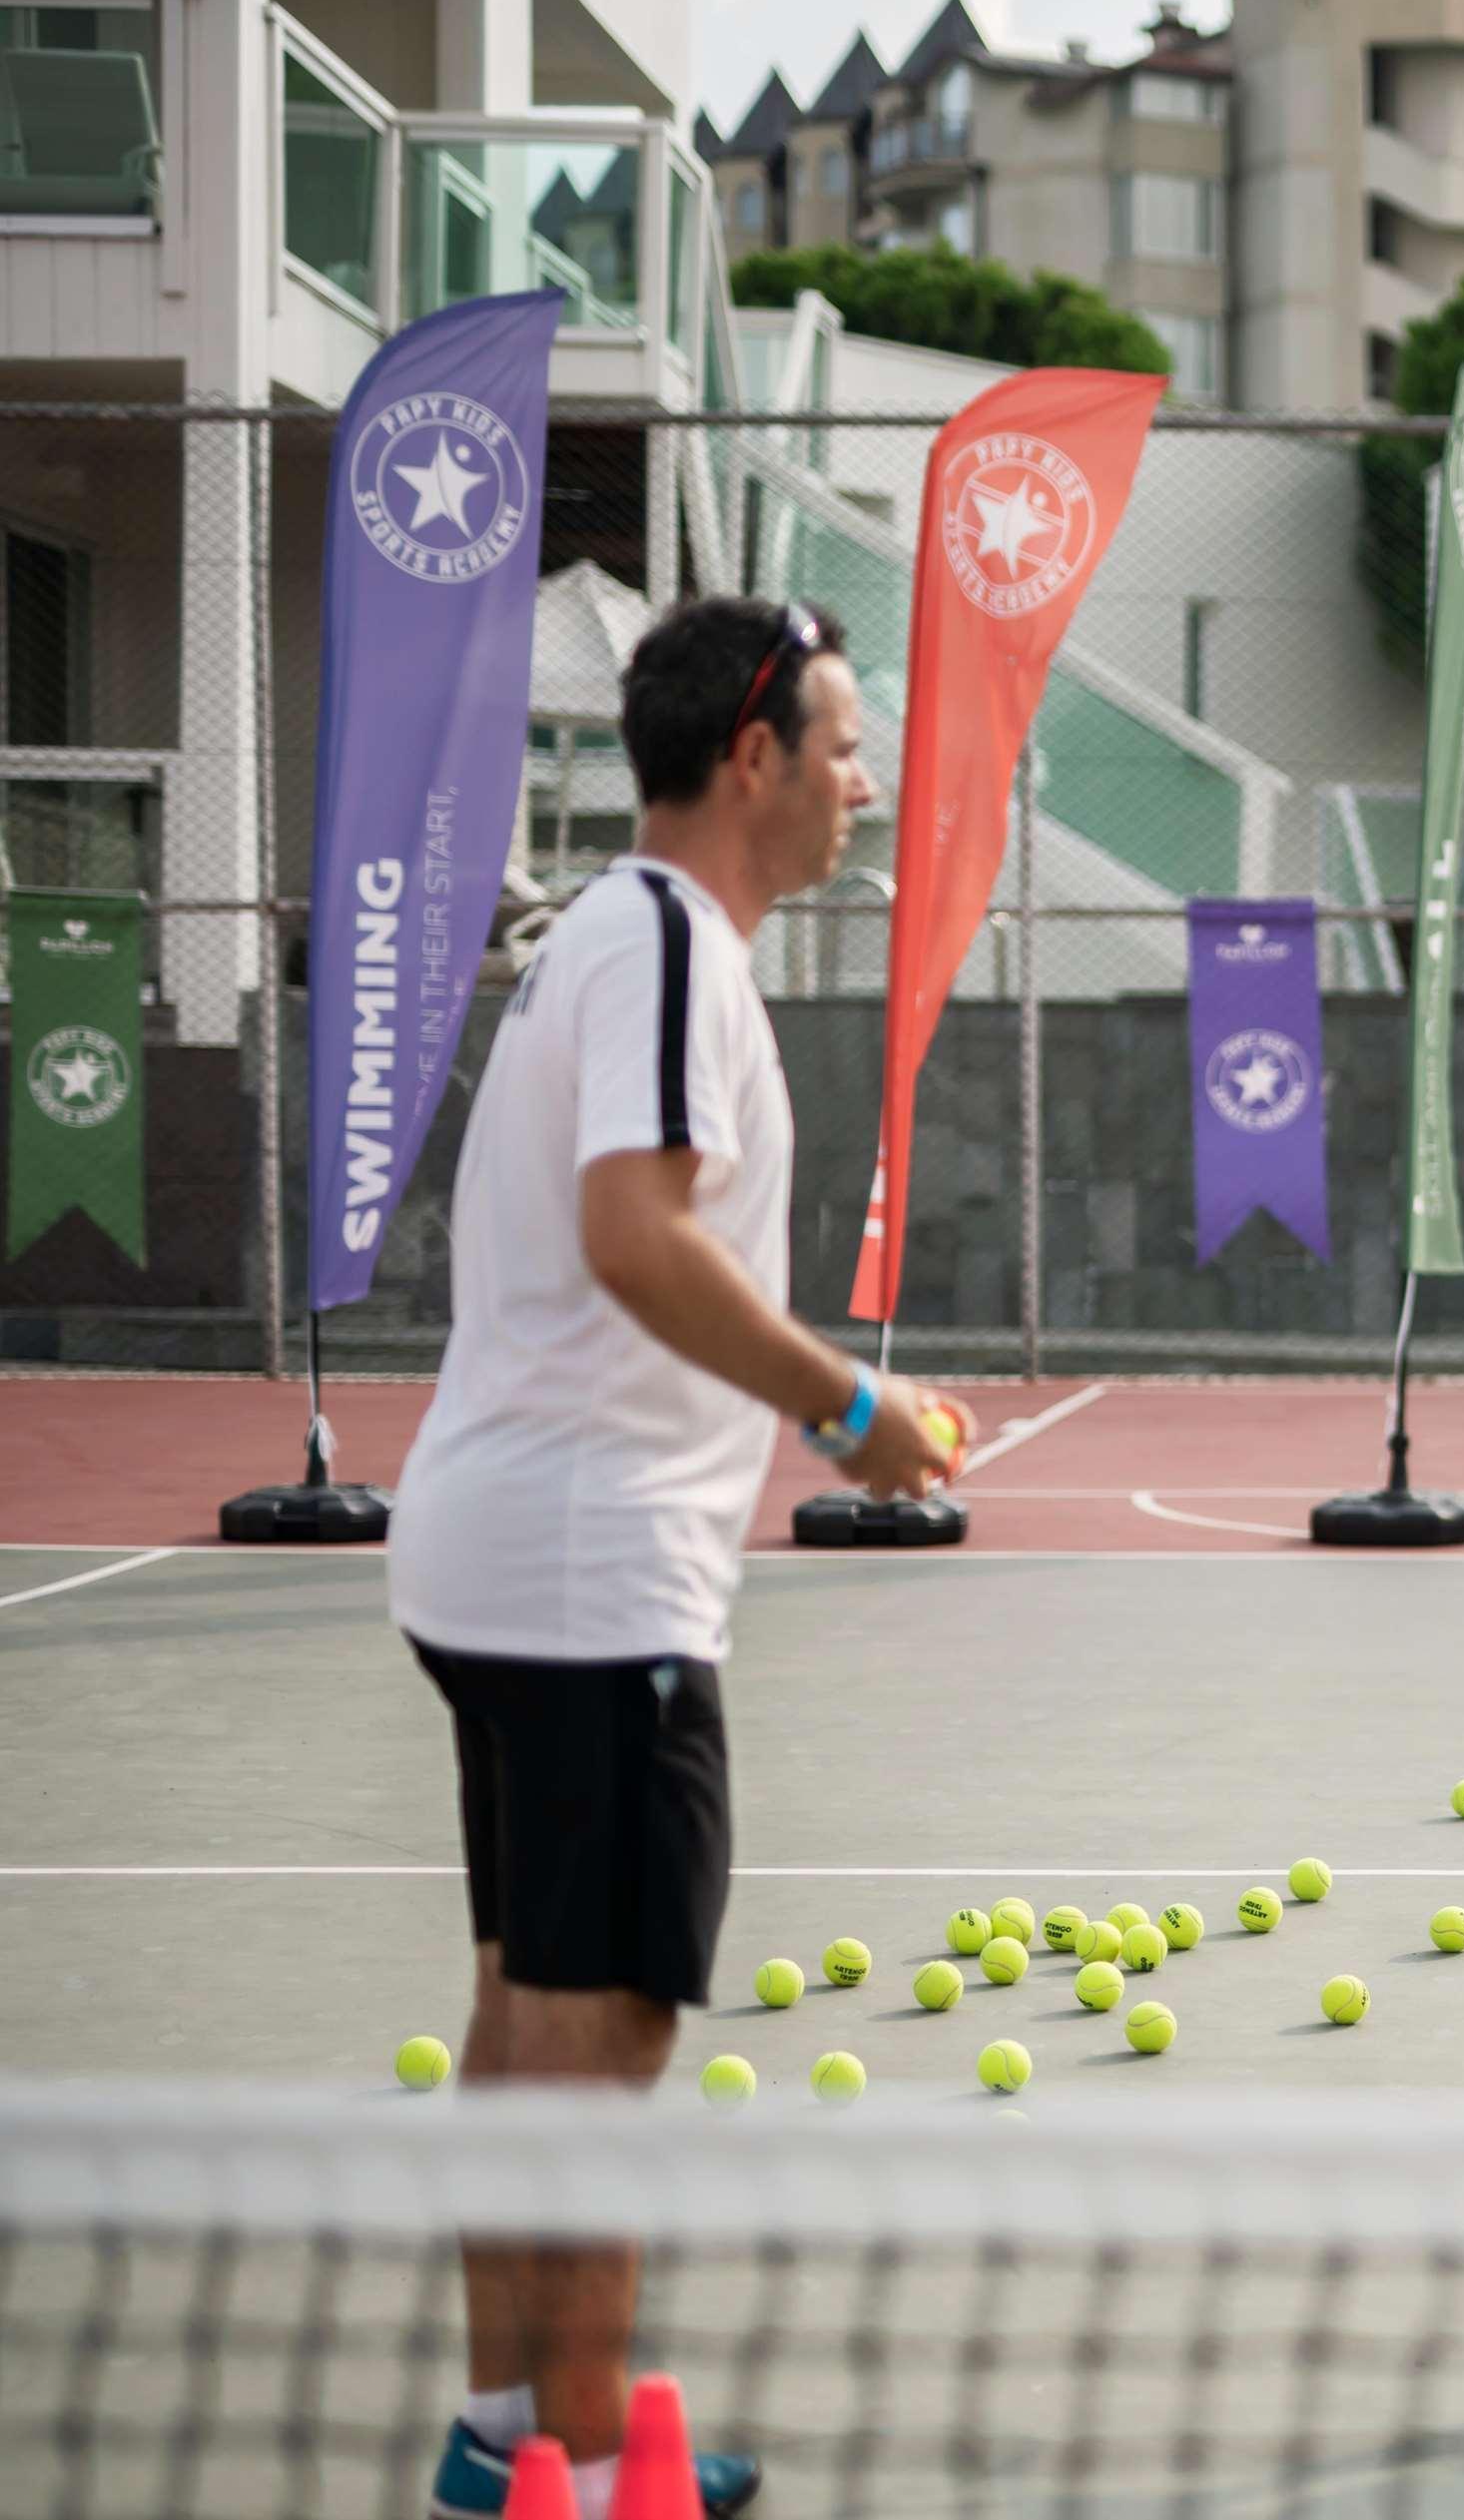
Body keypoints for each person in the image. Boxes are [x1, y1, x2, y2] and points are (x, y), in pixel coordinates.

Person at [389, 597, 971, 2518]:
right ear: (755, 756)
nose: (862, 780)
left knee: (524, 2011)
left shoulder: (637, 943)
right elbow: (635, 1234)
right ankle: (575, 2467)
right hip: (585, 1572)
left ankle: (511, 2447)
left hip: (527, 1553)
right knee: (602, 2030)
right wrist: (845, 1410)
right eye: (845, 742)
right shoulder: (655, 948)